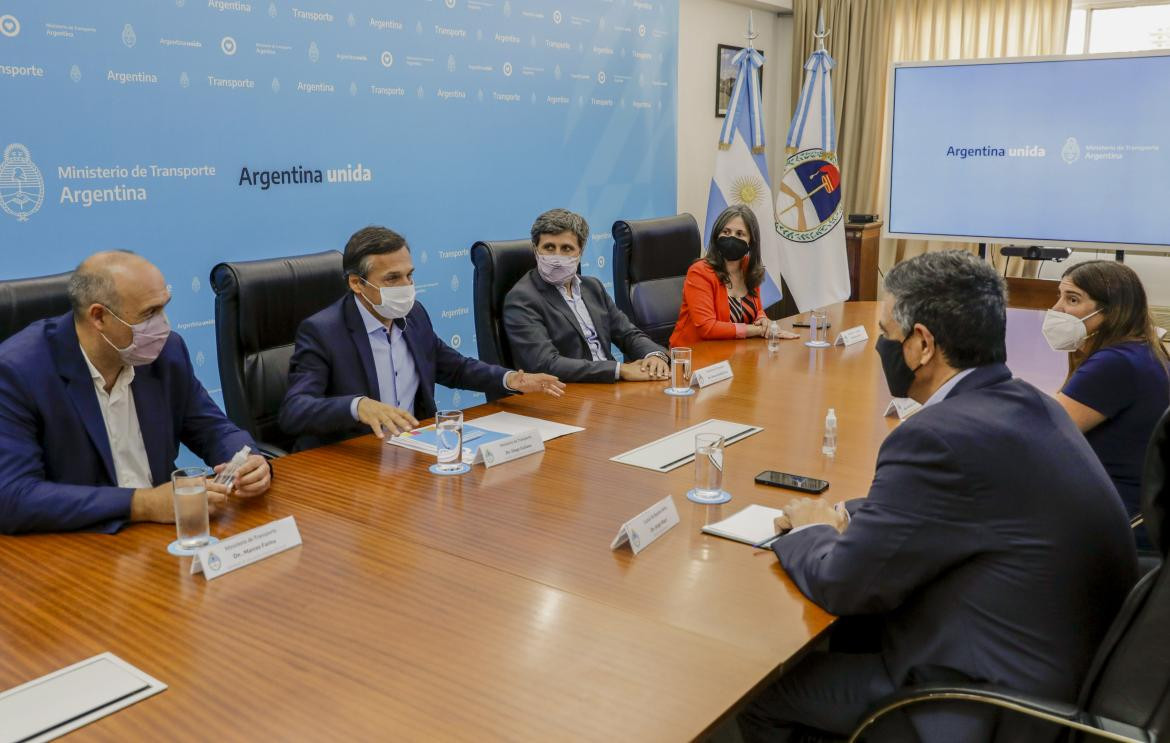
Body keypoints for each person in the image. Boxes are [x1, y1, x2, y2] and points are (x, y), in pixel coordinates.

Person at [739, 251, 1137, 743]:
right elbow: (957, 509)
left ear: (922, 343)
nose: (883, 346)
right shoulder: (1029, 402)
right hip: (1055, 671)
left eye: (887, 335)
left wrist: (811, 528)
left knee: (761, 698)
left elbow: (844, 584)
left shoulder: (936, 436)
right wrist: (855, 515)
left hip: (978, 701)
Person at [0, 251, 271, 535]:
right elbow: (13, 496)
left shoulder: (167, 352)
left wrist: (249, 461)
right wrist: (143, 504)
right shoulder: (17, 372)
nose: (163, 325)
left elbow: (213, 428)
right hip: (76, 544)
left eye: (164, 308)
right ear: (99, 317)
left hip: (160, 537)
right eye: (149, 313)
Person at [280, 225, 565, 451]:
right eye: (392, 279)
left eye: (409, 275)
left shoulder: (414, 314)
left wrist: (511, 380)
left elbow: (455, 367)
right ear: (357, 283)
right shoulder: (323, 331)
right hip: (354, 459)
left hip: (413, 449)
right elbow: (294, 411)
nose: (406, 287)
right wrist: (357, 406)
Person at [1043, 260, 1169, 551]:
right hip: (1137, 521)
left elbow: (1040, 434)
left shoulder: (1115, 363)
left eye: (1072, 299)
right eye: (1059, 296)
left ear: (1111, 311)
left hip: (1115, 530)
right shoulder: (1142, 353)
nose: (1057, 309)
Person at [503, 208, 670, 383]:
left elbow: (628, 334)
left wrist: (654, 356)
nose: (557, 257)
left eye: (566, 248)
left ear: (580, 252)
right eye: (549, 247)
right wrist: (619, 370)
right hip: (568, 393)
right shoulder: (522, 298)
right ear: (535, 249)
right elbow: (545, 364)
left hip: (609, 389)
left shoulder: (592, 287)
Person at [669, 204, 799, 348]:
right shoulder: (700, 272)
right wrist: (757, 330)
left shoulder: (748, 269)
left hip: (730, 353)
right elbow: (707, 328)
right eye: (726, 232)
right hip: (693, 356)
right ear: (716, 236)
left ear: (751, 241)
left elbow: (756, 310)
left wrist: (763, 320)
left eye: (740, 234)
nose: (732, 238)